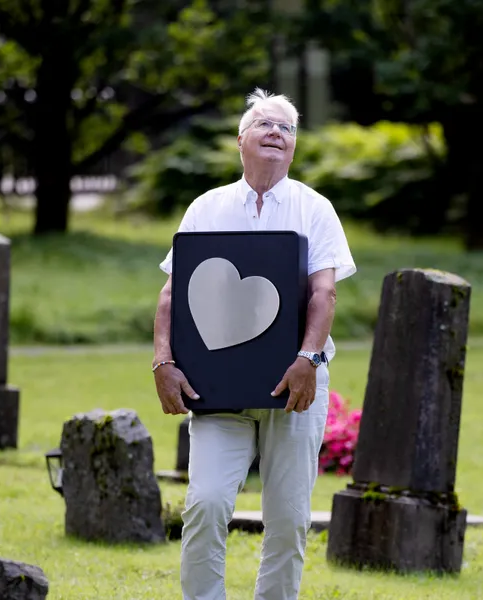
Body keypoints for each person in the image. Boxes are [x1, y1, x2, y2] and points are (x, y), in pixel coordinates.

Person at [151, 88, 356, 600]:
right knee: (206, 503)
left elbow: (324, 292)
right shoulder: (207, 207)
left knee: (287, 519)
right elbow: (172, 293)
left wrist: (309, 358)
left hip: (295, 388)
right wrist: (163, 361)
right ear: (241, 139)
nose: (276, 133)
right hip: (216, 386)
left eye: (286, 128)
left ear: (294, 147)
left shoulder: (315, 208)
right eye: (264, 123)